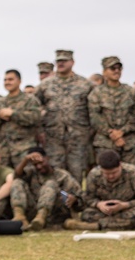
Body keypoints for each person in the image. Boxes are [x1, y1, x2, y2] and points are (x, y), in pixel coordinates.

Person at [36, 50, 93, 182]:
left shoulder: (85, 85)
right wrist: (39, 131)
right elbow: (34, 108)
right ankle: (58, 201)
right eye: (58, 61)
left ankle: (75, 201)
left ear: (72, 62)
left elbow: (94, 110)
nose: (61, 64)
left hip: (78, 139)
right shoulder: (45, 85)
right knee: (55, 173)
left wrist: (90, 132)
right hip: (53, 139)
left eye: (64, 61)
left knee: (76, 173)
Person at [65, 150, 135, 231]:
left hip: (128, 210)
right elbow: (88, 198)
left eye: (114, 173)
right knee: (87, 214)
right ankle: (131, 226)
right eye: (106, 173)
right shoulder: (94, 175)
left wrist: (124, 205)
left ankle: (94, 226)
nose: (110, 176)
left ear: (120, 166)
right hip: (105, 212)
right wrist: (99, 204)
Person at [88, 56, 135, 166]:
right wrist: (111, 133)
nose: (117, 71)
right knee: (107, 176)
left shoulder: (131, 92)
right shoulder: (96, 93)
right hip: (105, 142)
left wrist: (122, 132)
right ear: (104, 71)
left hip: (129, 142)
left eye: (119, 68)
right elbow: (95, 118)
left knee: (132, 175)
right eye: (112, 68)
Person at [10, 147, 82, 231]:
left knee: (50, 183)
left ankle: (41, 217)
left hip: (55, 213)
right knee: (17, 182)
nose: (39, 167)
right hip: (34, 212)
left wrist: (74, 199)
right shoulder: (31, 173)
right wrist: (25, 160)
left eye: (41, 163)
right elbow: (16, 176)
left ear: (47, 158)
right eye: (35, 165)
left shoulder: (62, 175)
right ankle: (20, 217)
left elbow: (81, 198)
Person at [0, 69, 41, 168]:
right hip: (3, 150)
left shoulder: (30, 100)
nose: (7, 82)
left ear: (19, 81)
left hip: (23, 148)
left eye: (10, 79)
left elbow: (35, 118)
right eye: (5, 80)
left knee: (25, 177)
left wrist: (13, 114)